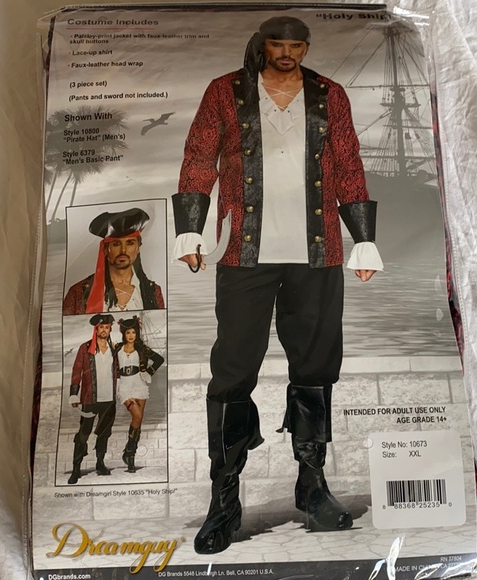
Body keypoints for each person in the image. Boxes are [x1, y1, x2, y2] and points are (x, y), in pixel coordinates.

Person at [172, 16, 384, 554]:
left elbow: (349, 164)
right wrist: (190, 231)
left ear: (306, 48)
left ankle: (312, 486)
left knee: (315, 367)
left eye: (296, 45)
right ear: (263, 45)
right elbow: (199, 156)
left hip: (318, 253)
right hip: (244, 253)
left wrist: (363, 239)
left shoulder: (330, 94)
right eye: (277, 44)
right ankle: (224, 499)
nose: (286, 53)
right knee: (233, 368)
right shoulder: (224, 91)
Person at [63, 207, 164, 315]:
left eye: (130, 243)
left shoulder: (153, 292)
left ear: (138, 248)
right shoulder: (78, 292)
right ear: (106, 249)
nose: (123, 250)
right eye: (116, 244)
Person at [67, 314, 118, 485]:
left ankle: (100, 464)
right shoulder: (86, 348)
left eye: (107, 327)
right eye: (101, 327)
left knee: (104, 433)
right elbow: (77, 370)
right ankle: (76, 468)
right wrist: (74, 393)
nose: (104, 330)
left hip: (109, 399)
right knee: (83, 434)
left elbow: (118, 371)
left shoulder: (113, 348)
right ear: (96, 329)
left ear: (110, 329)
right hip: (90, 399)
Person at [114, 316, 165, 473]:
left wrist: (148, 371)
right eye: (128, 332)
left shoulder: (142, 349)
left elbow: (159, 359)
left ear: (137, 333)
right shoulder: (117, 348)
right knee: (136, 416)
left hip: (139, 384)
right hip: (124, 386)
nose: (131, 335)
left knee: (139, 420)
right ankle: (129, 451)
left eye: (133, 332)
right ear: (124, 334)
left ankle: (130, 456)